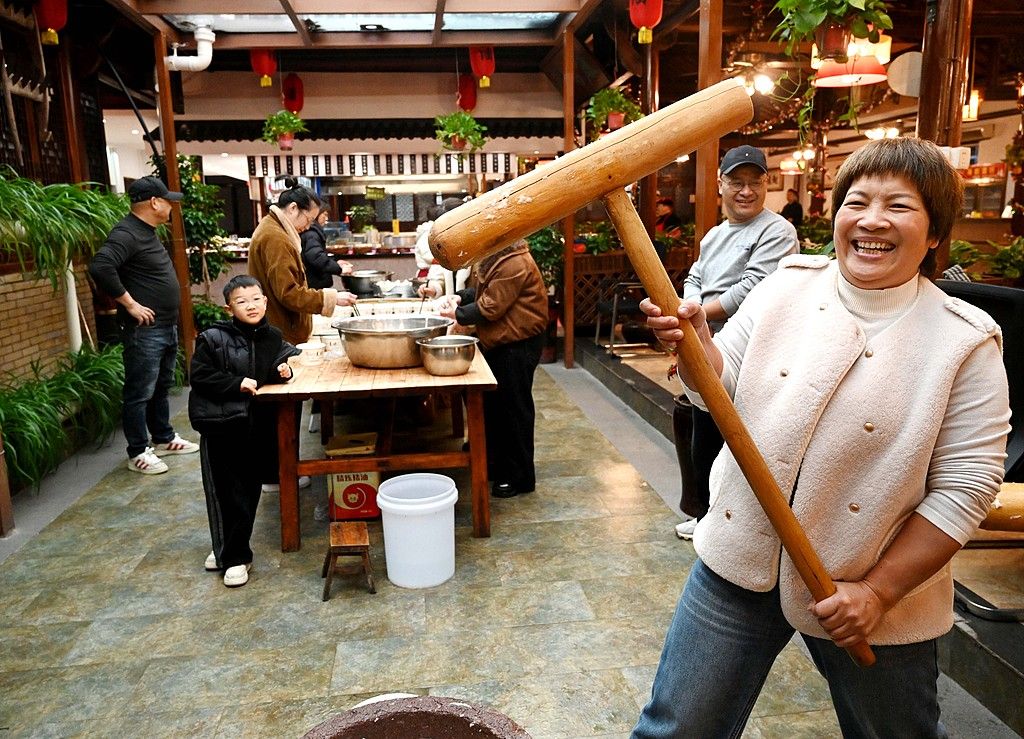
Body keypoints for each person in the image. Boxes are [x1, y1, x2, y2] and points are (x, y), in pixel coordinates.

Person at [632, 137, 1010, 738]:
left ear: (936, 232)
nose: (872, 220)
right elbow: (717, 391)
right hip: (739, 555)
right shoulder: (787, 285)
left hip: (866, 591)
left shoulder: (964, 339)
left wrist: (877, 593)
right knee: (676, 728)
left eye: (899, 206)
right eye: (857, 201)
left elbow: (965, 490)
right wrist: (699, 348)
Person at [673, 145, 798, 539]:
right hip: (706, 344)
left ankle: (730, 526)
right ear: (720, 184)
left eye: (755, 182)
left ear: (766, 185)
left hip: (749, 350)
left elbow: (752, 289)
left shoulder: (777, 231)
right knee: (703, 431)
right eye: (737, 182)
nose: (746, 191)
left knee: (736, 438)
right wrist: (691, 316)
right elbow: (695, 277)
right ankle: (706, 517)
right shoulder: (715, 234)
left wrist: (696, 317)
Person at [189, 275, 300, 588]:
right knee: (225, 491)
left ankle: (230, 548)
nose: (250, 306)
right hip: (222, 426)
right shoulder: (213, 338)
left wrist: (283, 371)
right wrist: (235, 384)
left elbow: (269, 369)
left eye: (255, 299)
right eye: (241, 301)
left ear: (265, 301)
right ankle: (236, 556)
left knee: (248, 490)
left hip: (256, 425)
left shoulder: (272, 336)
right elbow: (199, 376)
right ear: (229, 308)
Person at [248, 181, 357, 489]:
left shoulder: (275, 230)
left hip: (278, 330)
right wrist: (329, 299)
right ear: (293, 208)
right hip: (277, 332)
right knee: (280, 407)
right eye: (308, 219)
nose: (308, 227)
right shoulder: (275, 237)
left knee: (280, 405)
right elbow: (288, 293)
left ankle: (276, 470)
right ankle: (276, 475)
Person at [88, 176, 199, 475]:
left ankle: (162, 438)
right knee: (139, 391)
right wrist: (130, 304)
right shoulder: (127, 233)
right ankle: (137, 451)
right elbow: (100, 266)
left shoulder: (146, 232)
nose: (171, 207)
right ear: (154, 202)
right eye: (168, 201)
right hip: (145, 329)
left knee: (161, 385)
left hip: (163, 324)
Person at [438, 237, 548, 498]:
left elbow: (491, 306)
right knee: (496, 406)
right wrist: (458, 297)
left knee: (514, 410)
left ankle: (519, 477)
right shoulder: (498, 257)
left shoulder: (515, 262)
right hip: (503, 341)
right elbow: (482, 292)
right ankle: (495, 462)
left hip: (518, 343)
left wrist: (457, 314)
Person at [417, 197, 472, 299]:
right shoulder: (446, 247)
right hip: (452, 307)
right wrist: (433, 289)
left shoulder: (478, 248)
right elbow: (439, 277)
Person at [301, 207, 352, 290]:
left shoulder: (313, 232)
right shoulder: (311, 234)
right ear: (316, 214)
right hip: (314, 284)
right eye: (324, 215)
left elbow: (318, 254)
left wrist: (336, 263)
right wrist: (339, 269)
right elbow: (316, 257)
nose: (326, 218)